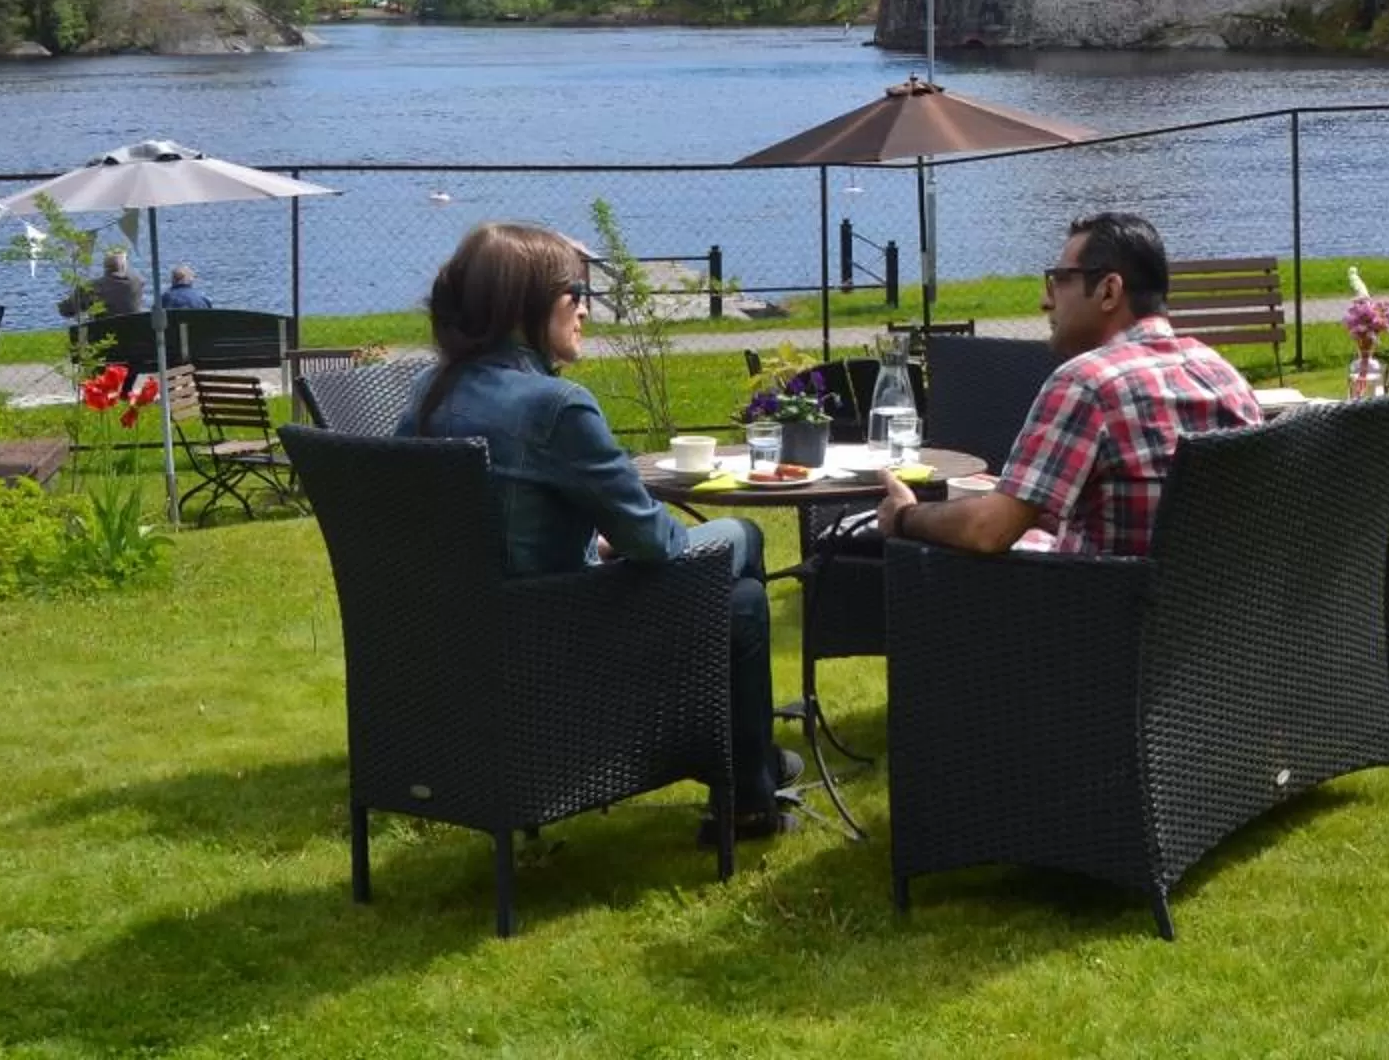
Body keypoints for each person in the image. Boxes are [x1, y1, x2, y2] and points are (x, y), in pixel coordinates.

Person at [398, 222, 797, 840]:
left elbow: (485, 524)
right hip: (560, 650)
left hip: (463, 648)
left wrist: (590, 544)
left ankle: (754, 777)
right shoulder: (554, 407)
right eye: (575, 292)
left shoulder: (429, 392)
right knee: (741, 564)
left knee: (728, 579)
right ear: (527, 304)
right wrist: (729, 537)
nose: (587, 307)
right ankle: (749, 791)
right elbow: (656, 545)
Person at [877, 211, 1263, 558]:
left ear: (1109, 291)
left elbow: (987, 531)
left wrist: (906, 516)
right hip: (1215, 624)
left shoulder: (1088, 383)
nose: (1046, 302)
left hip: (1089, 620)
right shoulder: (1225, 377)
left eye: (1059, 280)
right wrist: (1032, 501)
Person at [59, 248, 144, 320]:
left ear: (105, 267)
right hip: (135, 335)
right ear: (124, 266)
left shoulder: (92, 287)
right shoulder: (137, 282)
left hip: (103, 335)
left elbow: (65, 311)